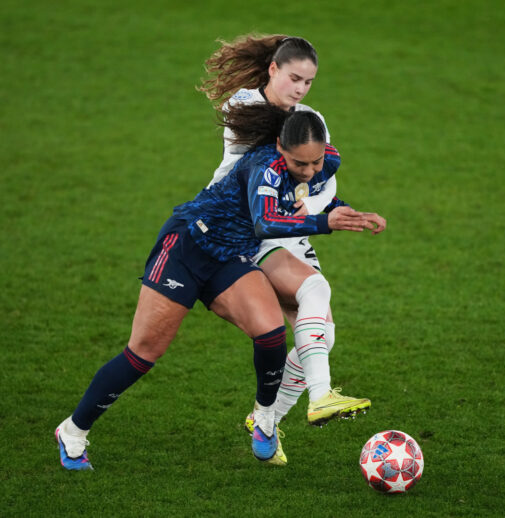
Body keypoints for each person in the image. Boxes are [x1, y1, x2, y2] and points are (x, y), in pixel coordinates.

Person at [55, 109, 379, 471]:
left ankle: (265, 419)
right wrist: (324, 223)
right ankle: (73, 431)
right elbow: (265, 222)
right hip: (186, 248)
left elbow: (309, 193)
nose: (308, 170)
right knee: (144, 353)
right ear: (279, 148)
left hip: (229, 258)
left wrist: (350, 213)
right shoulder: (265, 167)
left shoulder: (325, 161)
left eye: (315, 162)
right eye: (299, 163)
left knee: (271, 333)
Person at [199, 35, 386, 435]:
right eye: (294, 78)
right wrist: (319, 210)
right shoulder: (244, 107)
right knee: (314, 289)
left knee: (321, 335)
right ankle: (320, 396)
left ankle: (265, 422)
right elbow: (275, 170)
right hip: (244, 226)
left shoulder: (309, 118)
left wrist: (325, 205)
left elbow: (316, 175)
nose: (300, 89)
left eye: (308, 82)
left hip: (285, 226)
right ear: (272, 69)